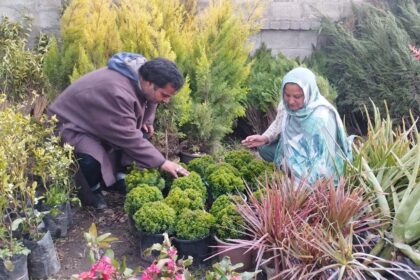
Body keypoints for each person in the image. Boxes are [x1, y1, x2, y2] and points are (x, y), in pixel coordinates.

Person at [48, 52, 189, 209]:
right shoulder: (118, 92)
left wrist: (148, 120)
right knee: (89, 159)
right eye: (164, 95)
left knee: (142, 130)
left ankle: (119, 178)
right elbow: (129, 138)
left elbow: (152, 102)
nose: (166, 100)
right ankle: (93, 191)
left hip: (98, 119)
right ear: (149, 83)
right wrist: (162, 162)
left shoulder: (143, 73)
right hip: (72, 124)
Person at [242, 67, 352, 185]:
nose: (291, 101)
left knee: (302, 185)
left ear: (308, 92)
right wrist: (265, 138)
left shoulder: (322, 117)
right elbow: (278, 123)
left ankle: (298, 178)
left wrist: (303, 186)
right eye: (287, 95)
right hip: (295, 152)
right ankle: (290, 169)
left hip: (315, 163)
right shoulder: (285, 106)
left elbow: (324, 160)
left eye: (297, 96)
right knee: (265, 148)